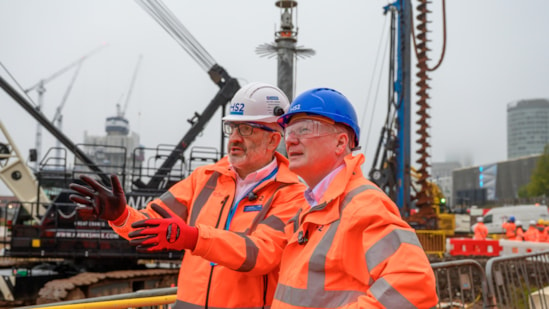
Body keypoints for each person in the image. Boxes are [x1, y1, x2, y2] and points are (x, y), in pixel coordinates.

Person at [69, 82, 307, 309]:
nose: (234, 137)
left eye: (246, 129)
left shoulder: (291, 194)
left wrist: (193, 238)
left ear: (273, 139)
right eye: (231, 127)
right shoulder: (204, 178)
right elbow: (148, 225)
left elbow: (260, 254)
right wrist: (121, 216)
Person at [272, 87, 438, 308]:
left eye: (304, 129)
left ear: (341, 143)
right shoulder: (313, 206)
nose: (291, 141)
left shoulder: (363, 205)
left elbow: (415, 284)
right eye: (290, 132)